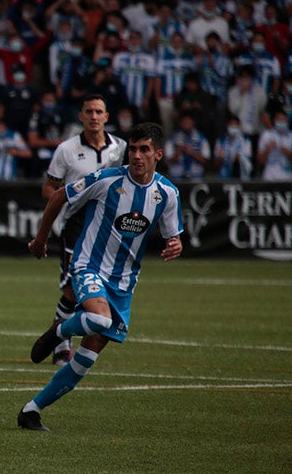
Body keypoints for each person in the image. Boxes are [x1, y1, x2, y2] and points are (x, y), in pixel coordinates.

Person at [19, 122, 183, 431]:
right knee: (100, 321)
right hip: (87, 267)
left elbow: (174, 235)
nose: (136, 155)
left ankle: (31, 410)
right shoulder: (108, 179)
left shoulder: (167, 193)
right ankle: (58, 332)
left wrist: (175, 244)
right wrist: (41, 240)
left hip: (123, 284)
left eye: (144, 150)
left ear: (157, 154)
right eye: (132, 149)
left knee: (86, 360)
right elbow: (57, 197)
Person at [39, 94, 126, 365]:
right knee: (72, 291)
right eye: (88, 111)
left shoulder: (121, 149)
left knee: (98, 289)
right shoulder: (66, 149)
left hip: (110, 228)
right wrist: (67, 202)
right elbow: (49, 188)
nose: (94, 116)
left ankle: (65, 335)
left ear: (107, 117)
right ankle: (61, 343)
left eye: (99, 111)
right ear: (80, 116)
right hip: (77, 225)